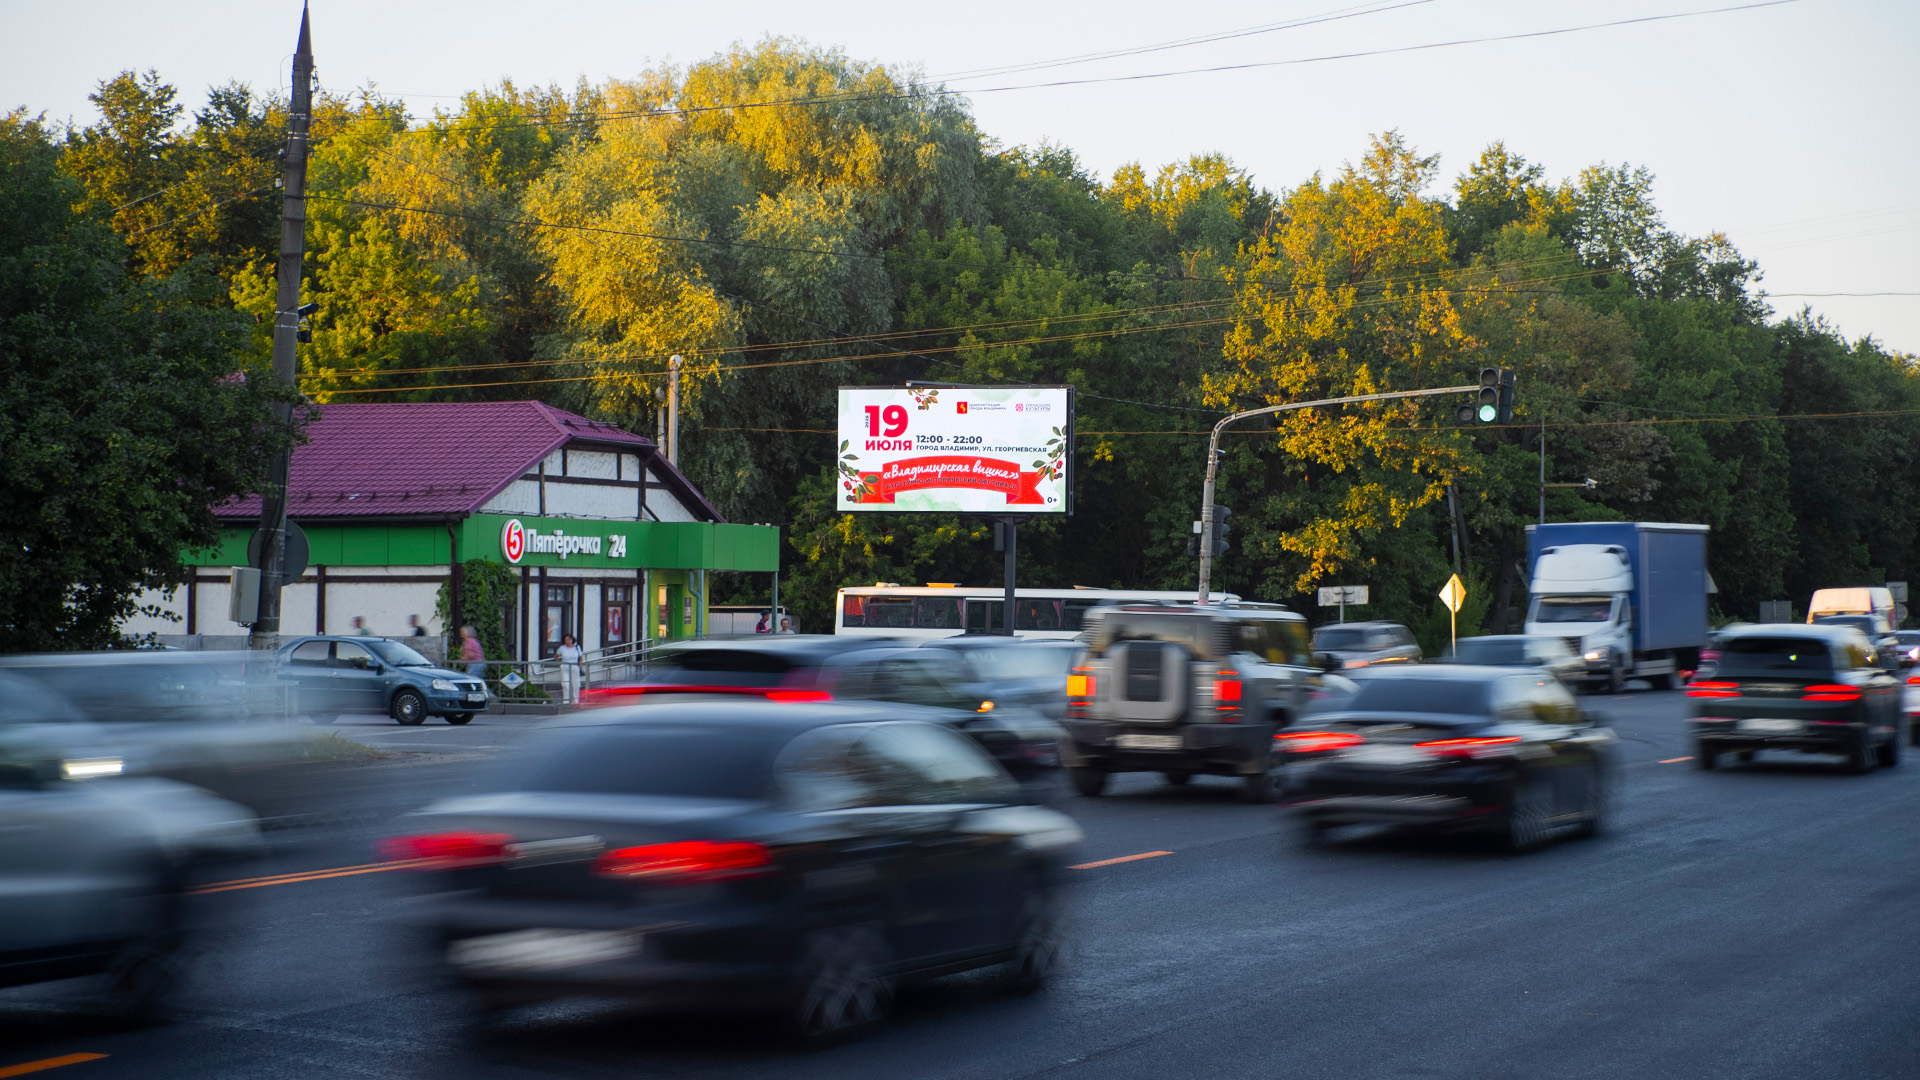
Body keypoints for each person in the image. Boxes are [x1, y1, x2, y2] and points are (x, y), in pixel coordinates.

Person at [556, 633, 584, 706]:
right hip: (565, 667)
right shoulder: (562, 648)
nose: (568, 641)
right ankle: (566, 700)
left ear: (572, 640)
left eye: (569, 639)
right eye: (566, 640)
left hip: (575, 667)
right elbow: (556, 655)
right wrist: (559, 664)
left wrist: (579, 664)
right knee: (566, 684)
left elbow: (581, 657)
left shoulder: (577, 647)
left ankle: (575, 700)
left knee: (576, 684)